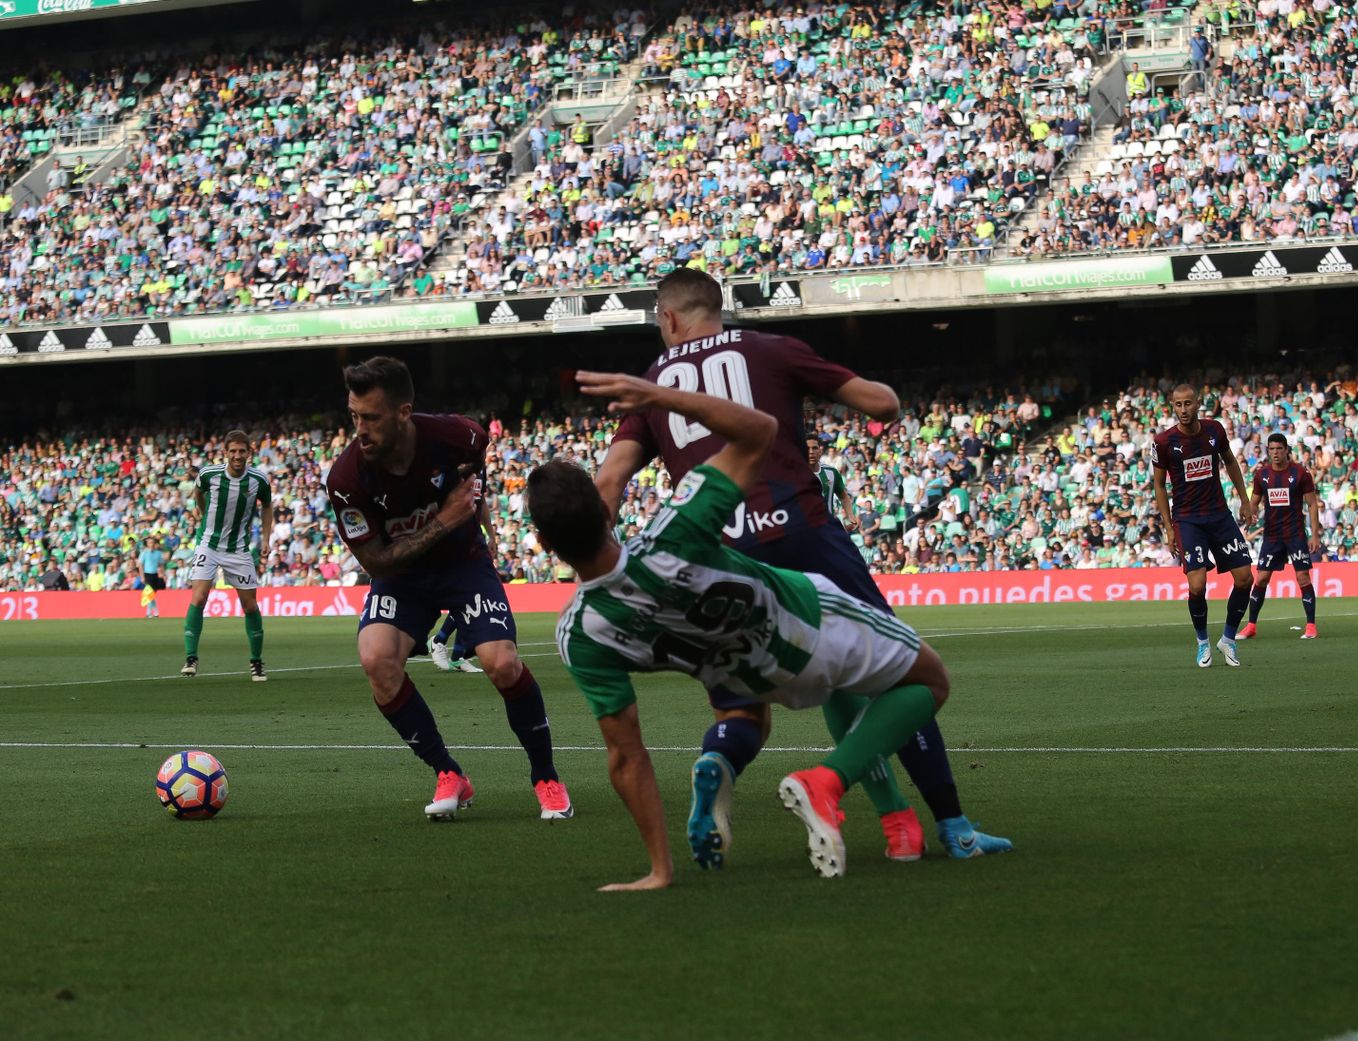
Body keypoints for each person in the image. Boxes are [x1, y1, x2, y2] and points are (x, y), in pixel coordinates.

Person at [594, 267, 1010, 869]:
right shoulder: (770, 348)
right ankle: (948, 824)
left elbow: (608, 482)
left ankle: (865, 811)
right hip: (800, 533)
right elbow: (881, 403)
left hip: (717, 556)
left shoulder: (656, 383)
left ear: (668, 318)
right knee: (902, 674)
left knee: (744, 706)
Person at [538, 371, 957, 889]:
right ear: (606, 511)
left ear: (546, 544)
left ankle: (728, 764)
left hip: (746, 677)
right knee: (929, 681)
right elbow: (760, 429)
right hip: (809, 622)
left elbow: (626, 756)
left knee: (747, 720)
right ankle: (826, 781)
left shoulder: (580, 634)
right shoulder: (676, 530)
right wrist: (655, 398)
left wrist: (659, 870)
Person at [326, 356, 571, 821]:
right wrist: (444, 520)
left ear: (403, 413)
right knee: (376, 658)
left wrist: (477, 517)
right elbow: (374, 560)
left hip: (464, 565)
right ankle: (448, 773)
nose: (359, 429)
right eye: (354, 415)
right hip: (401, 576)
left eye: (371, 417)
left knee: (501, 662)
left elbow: (473, 468)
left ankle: (546, 777)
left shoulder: (459, 436)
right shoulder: (345, 479)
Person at [1150, 385, 1257, 667]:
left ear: (1198, 404)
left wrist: (1245, 501)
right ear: (1172, 407)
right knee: (1197, 586)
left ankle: (1228, 639)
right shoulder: (1164, 442)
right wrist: (1169, 528)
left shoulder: (1214, 430)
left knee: (1246, 578)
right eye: (1178, 405)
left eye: (1188, 404)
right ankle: (1202, 643)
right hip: (1187, 520)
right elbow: (1159, 486)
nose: (1183, 410)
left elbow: (1231, 462)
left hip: (1219, 516)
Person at [181, 431, 271, 681]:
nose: (237, 456)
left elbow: (268, 506)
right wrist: (203, 516)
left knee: (250, 605)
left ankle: (256, 662)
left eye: (242, 451)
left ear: (249, 453)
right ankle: (191, 658)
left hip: (239, 549)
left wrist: (266, 538)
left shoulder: (258, 480)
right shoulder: (209, 474)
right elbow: (198, 494)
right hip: (208, 545)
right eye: (233, 451)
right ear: (226, 452)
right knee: (198, 598)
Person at [1241, 433, 1322, 640]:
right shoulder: (1262, 475)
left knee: (1302, 577)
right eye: (1271, 449)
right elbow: (1254, 501)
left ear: (1286, 450)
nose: (1275, 453)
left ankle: (1311, 626)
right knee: (1262, 578)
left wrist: (1315, 535)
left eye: (1279, 449)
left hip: (1295, 534)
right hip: (1272, 535)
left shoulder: (1300, 473)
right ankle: (1251, 626)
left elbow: (1312, 504)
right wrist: (1250, 512)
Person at [808, 434, 856, 534]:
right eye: (807, 448)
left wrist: (850, 515)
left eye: (814, 448)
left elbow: (844, 497)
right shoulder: (793, 474)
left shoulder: (831, 472)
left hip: (826, 528)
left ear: (820, 451)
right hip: (803, 529)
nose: (811, 452)